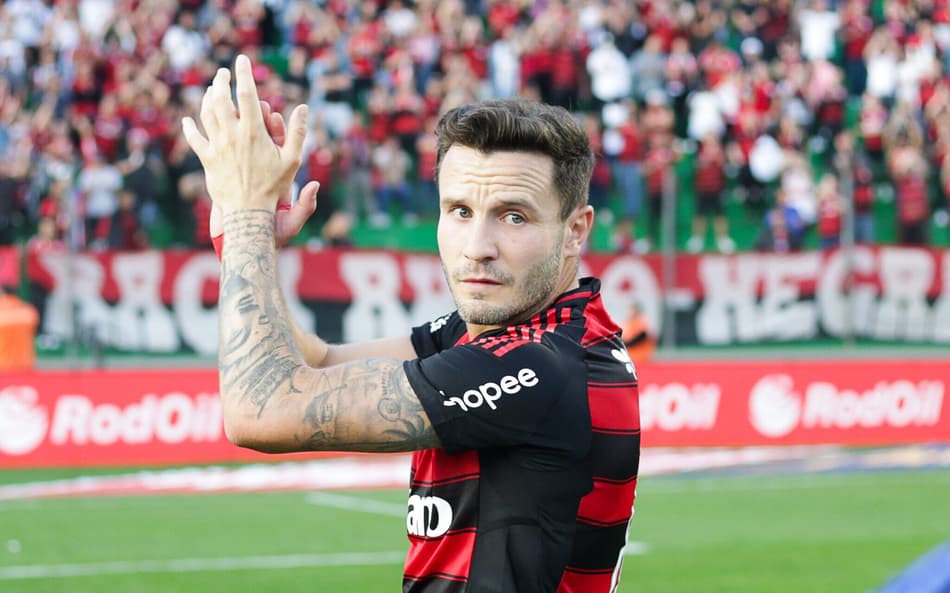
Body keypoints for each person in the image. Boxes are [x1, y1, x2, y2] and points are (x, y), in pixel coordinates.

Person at [182, 55, 640, 593]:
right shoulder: (527, 330)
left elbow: (258, 411)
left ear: (575, 230)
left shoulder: (540, 361)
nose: (478, 249)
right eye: (460, 211)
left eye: (513, 217)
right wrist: (242, 245)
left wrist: (244, 222)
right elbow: (317, 362)